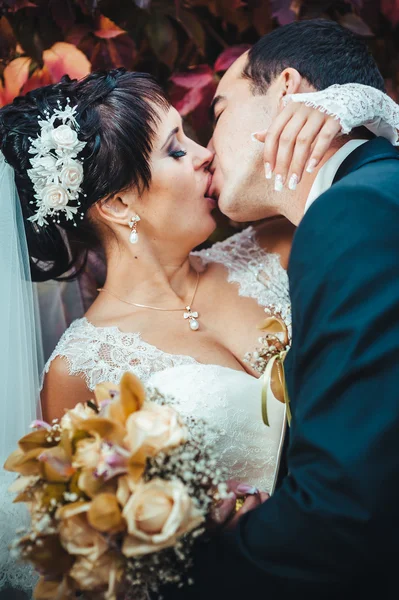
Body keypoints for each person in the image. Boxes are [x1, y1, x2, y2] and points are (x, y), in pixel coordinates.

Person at [1, 21, 399, 595]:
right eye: (174, 149)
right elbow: (89, 559)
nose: (206, 153)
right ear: (116, 204)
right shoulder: (79, 370)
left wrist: (353, 105)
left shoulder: (280, 243)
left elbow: (375, 194)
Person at [165, 18, 399, 599]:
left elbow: (345, 510)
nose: (206, 151)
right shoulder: (377, 191)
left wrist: (179, 573)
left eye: (218, 112)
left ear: (289, 88)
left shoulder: (350, 215)